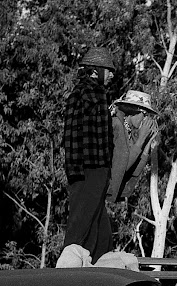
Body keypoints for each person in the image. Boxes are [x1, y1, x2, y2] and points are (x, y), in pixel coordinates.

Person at [62, 47, 116, 263]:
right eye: (108, 70)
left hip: (79, 168)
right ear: (95, 71)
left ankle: (101, 259)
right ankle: (69, 267)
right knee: (82, 223)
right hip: (94, 167)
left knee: (95, 220)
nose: (112, 75)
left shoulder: (77, 92)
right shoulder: (94, 93)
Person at [107, 90, 159, 202]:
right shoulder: (116, 125)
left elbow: (132, 171)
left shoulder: (129, 131)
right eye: (144, 114)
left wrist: (147, 143)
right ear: (133, 111)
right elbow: (122, 166)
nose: (145, 119)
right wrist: (141, 139)